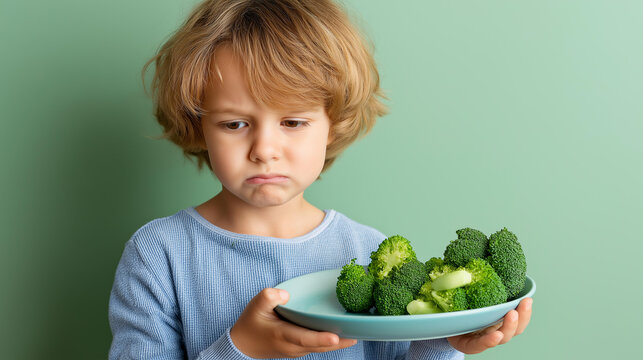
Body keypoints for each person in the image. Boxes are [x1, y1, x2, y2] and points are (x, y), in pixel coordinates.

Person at [108, 0, 533, 359]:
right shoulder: (157, 255)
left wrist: (445, 339)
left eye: (293, 121)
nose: (264, 149)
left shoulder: (367, 251)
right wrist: (242, 348)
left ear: (333, 124)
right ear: (199, 126)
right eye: (235, 124)